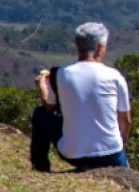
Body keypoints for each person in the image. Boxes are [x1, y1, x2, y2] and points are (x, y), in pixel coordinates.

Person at [30, 22, 131, 172]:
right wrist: (116, 145)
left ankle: (40, 167)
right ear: (99, 48)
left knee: (40, 113)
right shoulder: (115, 76)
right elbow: (126, 121)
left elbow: (48, 107)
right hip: (110, 154)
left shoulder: (60, 75)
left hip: (72, 153)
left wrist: (43, 87)